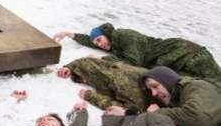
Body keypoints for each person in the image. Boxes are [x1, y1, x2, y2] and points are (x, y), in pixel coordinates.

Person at [53, 23, 221, 82]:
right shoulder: (112, 43)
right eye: (97, 42)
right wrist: (69, 34)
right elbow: (90, 40)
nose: (99, 44)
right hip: (172, 63)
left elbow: (135, 63)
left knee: (217, 81)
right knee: (208, 88)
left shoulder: (125, 35)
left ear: (106, 34)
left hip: (187, 54)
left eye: (99, 40)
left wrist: (103, 59)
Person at [143, 66, 221, 126]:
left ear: (167, 80)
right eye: (150, 90)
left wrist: (159, 112)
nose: (153, 93)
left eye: (155, 86)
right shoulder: (179, 109)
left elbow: (198, 117)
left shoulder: (196, 87)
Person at [57, 56, 148, 112]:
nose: (85, 82)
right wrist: (69, 67)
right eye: (83, 81)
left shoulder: (109, 72)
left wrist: (90, 96)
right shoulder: (105, 79)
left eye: (85, 79)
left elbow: (121, 110)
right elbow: (85, 61)